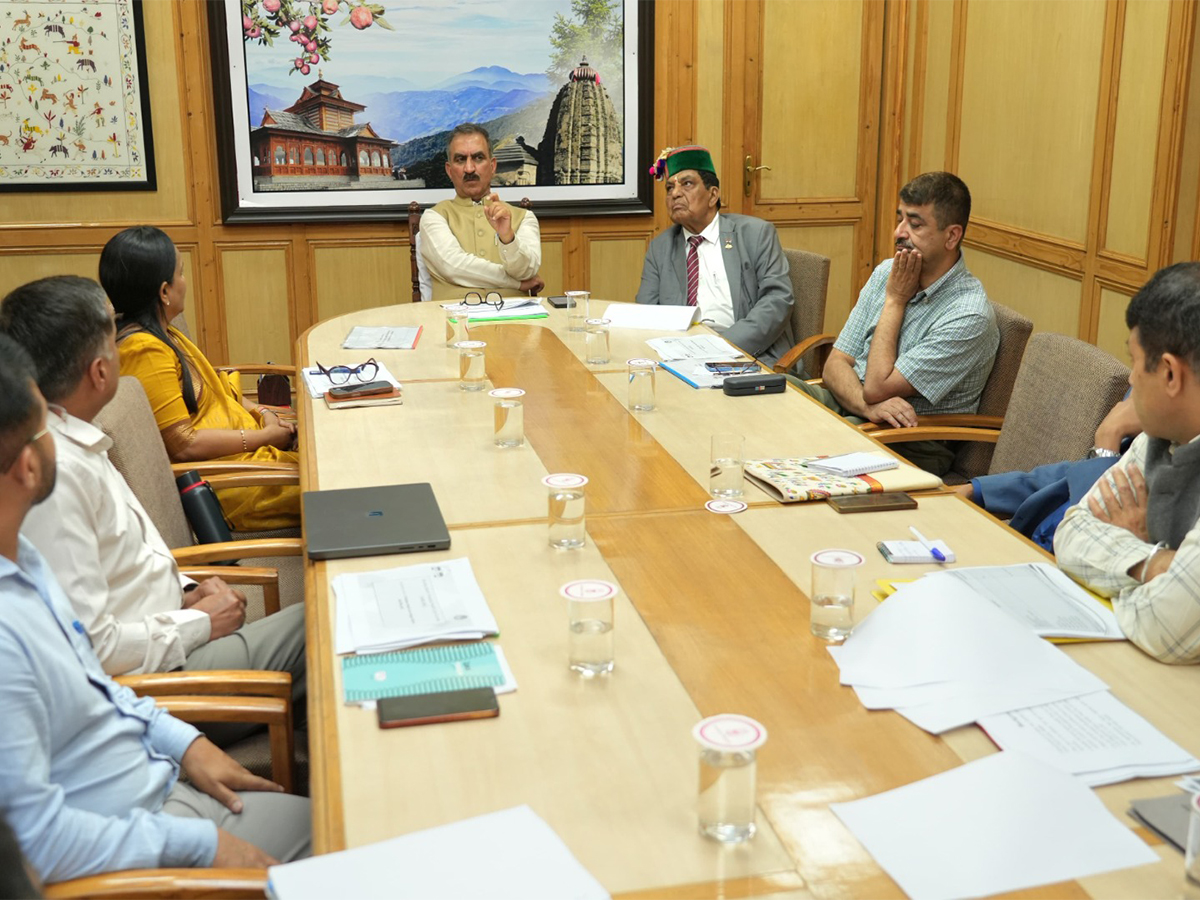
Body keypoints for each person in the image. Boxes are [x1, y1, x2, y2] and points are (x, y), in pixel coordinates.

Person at [0, 334, 310, 883]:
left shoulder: (23, 560)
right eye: (44, 423)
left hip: (156, 769)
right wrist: (198, 844)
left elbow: (94, 683)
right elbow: (37, 844)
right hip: (143, 829)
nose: (58, 428)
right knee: (361, 832)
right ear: (27, 465)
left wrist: (183, 742)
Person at [0, 277, 305, 745]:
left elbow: (124, 562)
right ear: (100, 371)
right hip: (162, 691)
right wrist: (200, 622)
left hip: (175, 639)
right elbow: (93, 651)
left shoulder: (77, 437)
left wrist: (186, 592)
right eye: (112, 334)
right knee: (332, 620)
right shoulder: (49, 476)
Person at [793, 172, 999, 475]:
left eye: (915, 224)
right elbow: (836, 363)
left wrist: (895, 301)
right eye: (899, 218)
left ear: (952, 236)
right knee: (773, 393)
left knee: (812, 440)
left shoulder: (968, 315)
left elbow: (877, 387)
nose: (898, 232)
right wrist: (865, 408)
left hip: (912, 440)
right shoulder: (887, 271)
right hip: (857, 407)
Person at [98, 226, 299, 531]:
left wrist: (264, 412)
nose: (185, 282)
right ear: (164, 291)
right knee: (340, 480)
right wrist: (265, 437)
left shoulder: (164, 332)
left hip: (247, 456)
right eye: (181, 273)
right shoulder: (144, 349)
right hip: (235, 481)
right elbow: (184, 445)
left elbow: (218, 390)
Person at [1056, 263, 1200, 664]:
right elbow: (1071, 533)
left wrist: (1130, 557)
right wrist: (1153, 561)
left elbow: (1164, 627)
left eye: (1135, 361)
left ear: (1170, 373)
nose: (1132, 379)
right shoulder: (1161, 432)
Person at [635, 144, 796, 368]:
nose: (675, 193)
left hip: (746, 355)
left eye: (687, 184)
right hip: (679, 358)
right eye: (669, 187)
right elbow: (647, 312)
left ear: (713, 195)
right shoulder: (660, 247)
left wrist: (722, 346)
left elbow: (777, 300)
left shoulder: (755, 234)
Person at [956, 394, 1141, 551]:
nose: (1131, 379)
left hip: (1062, 566)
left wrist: (1108, 439)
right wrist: (977, 491)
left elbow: (1093, 538)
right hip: (1025, 543)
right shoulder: (1141, 419)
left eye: (1137, 361)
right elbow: (1072, 475)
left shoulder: (1162, 465)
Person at [419, 123, 544, 301]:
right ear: (449, 170)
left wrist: (508, 238)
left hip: (513, 322)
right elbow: (453, 265)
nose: (469, 169)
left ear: (493, 166)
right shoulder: (435, 217)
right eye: (460, 159)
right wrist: (518, 285)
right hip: (453, 322)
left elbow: (527, 271)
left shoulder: (524, 218)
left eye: (478, 158)